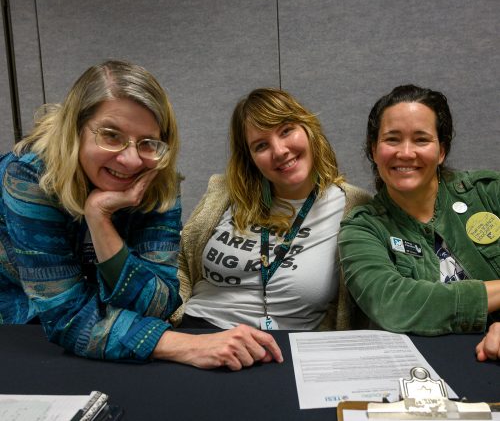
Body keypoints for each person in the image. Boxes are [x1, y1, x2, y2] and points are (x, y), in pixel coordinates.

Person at [0, 60, 182, 360]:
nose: (131, 161)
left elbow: (159, 304)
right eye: (111, 135)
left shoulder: (158, 177)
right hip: (24, 330)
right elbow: (66, 317)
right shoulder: (28, 177)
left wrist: (99, 219)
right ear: (76, 130)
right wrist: (180, 346)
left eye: (148, 142)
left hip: (113, 330)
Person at [168, 88, 371, 352]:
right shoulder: (224, 193)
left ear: (308, 129)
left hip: (290, 347)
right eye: (261, 145)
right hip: (199, 335)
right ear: (250, 158)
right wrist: (173, 322)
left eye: (286, 130)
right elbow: (181, 261)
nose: (279, 150)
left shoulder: (354, 205)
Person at [338, 85, 499, 356]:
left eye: (421, 139)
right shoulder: (362, 228)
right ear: (374, 150)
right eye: (392, 139)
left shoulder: (488, 193)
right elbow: (394, 305)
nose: (406, 153)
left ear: (441, 151)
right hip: (421, 367)